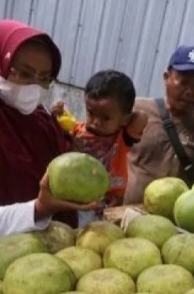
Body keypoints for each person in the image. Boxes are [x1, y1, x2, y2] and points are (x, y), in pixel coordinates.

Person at [0, 20, 97, 246]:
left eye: (44, 78)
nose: (34, 86)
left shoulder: (41, 121)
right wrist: (38, 209)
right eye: (23, 73)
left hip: (54, 255)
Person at [123, 45, 194, 205]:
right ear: (166, 77)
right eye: (184, 82)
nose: (190, 92)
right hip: (118, 214)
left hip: (170, 226)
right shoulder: (135, 110)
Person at [50, 70, 148, 225]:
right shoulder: (78, 130)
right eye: (91, 113)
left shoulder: (123, 137)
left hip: (108, 204)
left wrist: (125, 119)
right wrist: (59, 113)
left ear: (124, 119)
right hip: (75, 198)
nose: (95, 122)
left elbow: (142, 117)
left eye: (105, 118)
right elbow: (64, 124)